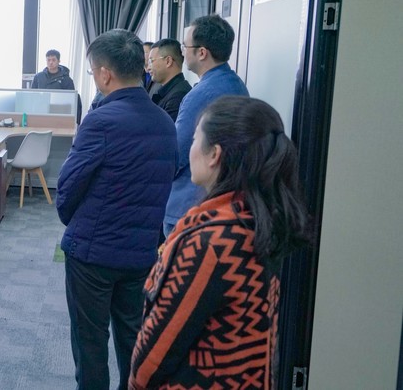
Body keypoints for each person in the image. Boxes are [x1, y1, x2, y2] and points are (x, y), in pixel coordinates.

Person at [129, 97, 310, 389]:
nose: (190, 149)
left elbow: (152, 359)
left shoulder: (208, 242)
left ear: (214, 154)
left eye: (194, 140)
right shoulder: (258, 220)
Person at [57, 29, 177, 390]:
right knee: (134, 337)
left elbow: (67, 189)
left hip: (93, 253)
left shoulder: (100, 121)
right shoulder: (165, 122)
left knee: (90, 341)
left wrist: (73, 221)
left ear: (105, 74)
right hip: (141, 253)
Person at [163, 14, 248, 237]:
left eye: (185, 46)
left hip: (189, 205)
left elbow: (177, 154)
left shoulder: (200, 95)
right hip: (222, 200)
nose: (182, 52)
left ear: (202, 53)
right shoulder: (237, 85)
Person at [147, 38, 191, 121]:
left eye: (151, 61)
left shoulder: (178, 96)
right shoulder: (170, 91)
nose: (148, 68)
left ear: (168, 61)